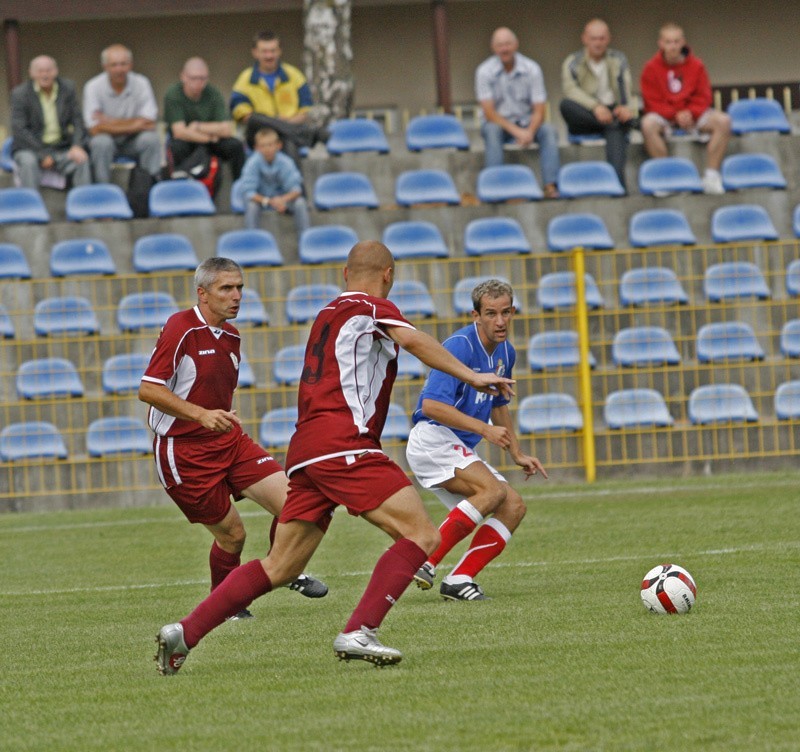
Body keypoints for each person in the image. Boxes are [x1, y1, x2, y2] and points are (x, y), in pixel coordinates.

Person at [154, 241, 515, 674]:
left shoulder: (327, 312)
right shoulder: (371, 306)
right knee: (421, 535)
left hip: (306, 449)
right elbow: (414, 340)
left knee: (281, 565)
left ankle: (184, 633)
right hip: (345, 444)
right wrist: (473, 375)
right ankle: (361, 629)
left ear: (345, 273)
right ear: (388, 275)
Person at [139, 257, 327, 620]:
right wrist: (201, 415)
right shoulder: (181, 327)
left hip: (229, 441)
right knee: (233, 536)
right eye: (226, 288)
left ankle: (284, 567)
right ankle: (227, 607)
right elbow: (148, 389)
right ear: (203, 293)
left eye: (239, 287)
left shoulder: (232, 335)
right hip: (185, 453)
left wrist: (218, 417)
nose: (237, 295)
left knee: (298, 503)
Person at [406, 279, 547, 601]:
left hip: (454, 446)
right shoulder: (461, 346)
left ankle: (459, 579)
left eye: (506, 312)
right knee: (493, 491)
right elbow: (431, 406)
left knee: (513, 506)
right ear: (476, 315)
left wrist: (516, 453)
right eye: (491, 313)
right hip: (432, 438)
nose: (500, 321)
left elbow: (499, 404)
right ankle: (423, 559)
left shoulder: (505, 352)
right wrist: (484, 431)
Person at [640, 23, 731, 195]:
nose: (672, 46)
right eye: (668, 42)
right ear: (660, 43)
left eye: (676, 41)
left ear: (683, 42)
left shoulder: (697, 65)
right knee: (647, 125)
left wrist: (691, 113)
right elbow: (650, 101)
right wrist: (674, 114)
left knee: (723, 121)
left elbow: (704, 96)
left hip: (692, 115)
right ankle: (666, 177)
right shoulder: (650, 68)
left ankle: (711, 176)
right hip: (665, 116)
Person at [475, 27, 561, 198]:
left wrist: (529, 131)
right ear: (493, 48)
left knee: (549, 131)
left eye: (507, 44)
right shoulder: (484, 71)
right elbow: (489, 113)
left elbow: (539, 109)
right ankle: (494, 187)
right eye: (500, 45)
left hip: (526, 122)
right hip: (497, 124)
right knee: (492, 130)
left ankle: (551, 186)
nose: (504, 49)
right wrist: (517, 132)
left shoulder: (532, 68)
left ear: (516, 45)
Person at [230, 30, 328, 166]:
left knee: (289, 144)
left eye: (272, 51)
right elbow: (243, 115)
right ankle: (309, 134)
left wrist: (286, 122)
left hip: (288, 135)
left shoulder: (294, 75)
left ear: (279, 51)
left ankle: (296, 187)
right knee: (255, 119)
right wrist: (273, 122)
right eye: (264, 51)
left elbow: (305, 112)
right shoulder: (244, 80)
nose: (269, 55)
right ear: (255, 53)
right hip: (258, 136)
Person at [560, 19, 637, 190]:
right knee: (566, 105)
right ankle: (617, 123)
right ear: (585, 39)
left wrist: (625, 108)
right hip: (586, 116)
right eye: (593, 38)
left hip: (612, 113)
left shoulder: (618, 59)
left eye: (601, 38)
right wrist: (595, 107)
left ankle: (618, 186)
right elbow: (570, 90)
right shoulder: (573, 61)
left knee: (615, 126)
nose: (598, 43)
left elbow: (626, 87)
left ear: (608, 39)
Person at [82, 44, 162, 184]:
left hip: (134, 141)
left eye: (123, 64)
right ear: (105, 66)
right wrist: (136, 123)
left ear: (130, 65)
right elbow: (94, 129)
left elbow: (149, 123)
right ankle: (103, 193)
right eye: (114, 65)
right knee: (101, 142)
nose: (119, 69)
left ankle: (149, 189)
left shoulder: (142, 83)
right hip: (107, 142)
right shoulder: (93, 86)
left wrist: (109, 121)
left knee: (151, 139)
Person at [10, 55, 91, 190]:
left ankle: (85, 205)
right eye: (39, 71)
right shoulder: (20, 94)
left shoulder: (67, 88)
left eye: (49, 70)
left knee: (81, 159)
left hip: (61, 147)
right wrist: (42, 154)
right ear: (31, 73)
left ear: (56, 71)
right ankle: (31, 208)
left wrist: (77, 145)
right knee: (28, 162)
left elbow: (78, 121)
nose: (45, 74)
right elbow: (20, 130)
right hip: (31, 149)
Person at [163, 57, 245, 181]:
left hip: (209, 141)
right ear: (183, 77)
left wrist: (197, 126)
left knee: (235, 145)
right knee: (177, 146)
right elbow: (179, 132)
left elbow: (227, 129)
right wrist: (209, 137)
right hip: (189, 141)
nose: (198, 82)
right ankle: (180, 184)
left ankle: (241, 187)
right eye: (193, 78)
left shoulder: (213, 93)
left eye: (202, 78)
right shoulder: (173, 94)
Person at [238, 127, 310, 238]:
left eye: (270, 144)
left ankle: (306, 240)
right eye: (263, 145)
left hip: (284, 200)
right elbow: (249, 192)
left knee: (300, 203)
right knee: (251, 206)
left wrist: (282, 200)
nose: (267, 149)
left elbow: (296, 189)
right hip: (262, 201)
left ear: (279, 145)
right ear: (256, 148)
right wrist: (269, 201)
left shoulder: (286, 162)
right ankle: (251, 241)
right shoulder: (252, 163)